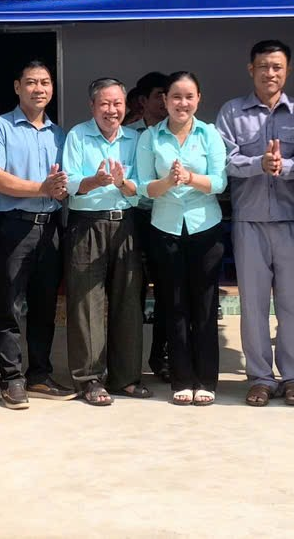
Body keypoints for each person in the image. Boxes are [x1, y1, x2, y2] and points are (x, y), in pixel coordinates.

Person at [216, 40, 294, 407]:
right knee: (253, 305)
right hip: (249, 221)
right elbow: (225, 161)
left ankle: (293, 377)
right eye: (263, 66)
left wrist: (282, 166)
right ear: (251, 69)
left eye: (277, 67)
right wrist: (258, 163)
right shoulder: (232, 112)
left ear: (287, 71)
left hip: (290, 220)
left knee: (292, 305)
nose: (269, 73)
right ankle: (259, 377)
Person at [0, 60, 75, 408]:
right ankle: (11, 378)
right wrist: (42, 188)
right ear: (18, 87)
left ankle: (39, 375)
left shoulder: (58, 134)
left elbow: (64, 182)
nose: (39, 89)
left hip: (50, 227)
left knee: (45, 306)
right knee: (10, 306)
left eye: (45, 82)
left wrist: (61, 189)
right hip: (14, 225)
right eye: (32, 82)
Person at [139, 72, 229, 406]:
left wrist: (189, 178)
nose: (182, 103)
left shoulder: (209, 134)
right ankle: (181, 378)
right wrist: (168, 181)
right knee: (173, 305)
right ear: (165, 100)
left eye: (189, 96)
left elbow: (219, 182)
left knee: (204, 307)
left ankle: (206, 379)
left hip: (205, 228)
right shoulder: (150, 137)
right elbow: (143, 187)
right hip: (165, 228)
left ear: (198, 99)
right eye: (175, 96)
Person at [62, 78, 147, 406]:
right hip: (87, 225)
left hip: (125, 223)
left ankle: (126, 377)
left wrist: (123, 184)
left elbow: (141, 186)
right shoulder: (78, 135)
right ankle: (90, 379)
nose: (112, 110)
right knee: (87, 303)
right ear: (92, 106)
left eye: (117, 104)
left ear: (126, 106)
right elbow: (70, 183)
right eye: (104, 104)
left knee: (128, 300)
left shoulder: (135, 139)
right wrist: (95, 181)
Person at [129, 70, 172, 379]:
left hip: (167, 218)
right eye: (159, 95)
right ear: (142, 101)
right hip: (135, 218)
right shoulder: (129, 135)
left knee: (168, 290)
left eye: (167, 95)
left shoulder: (177, 133)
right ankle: (127, 360)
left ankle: (162, 356)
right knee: (130, 291)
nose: (165, 101)